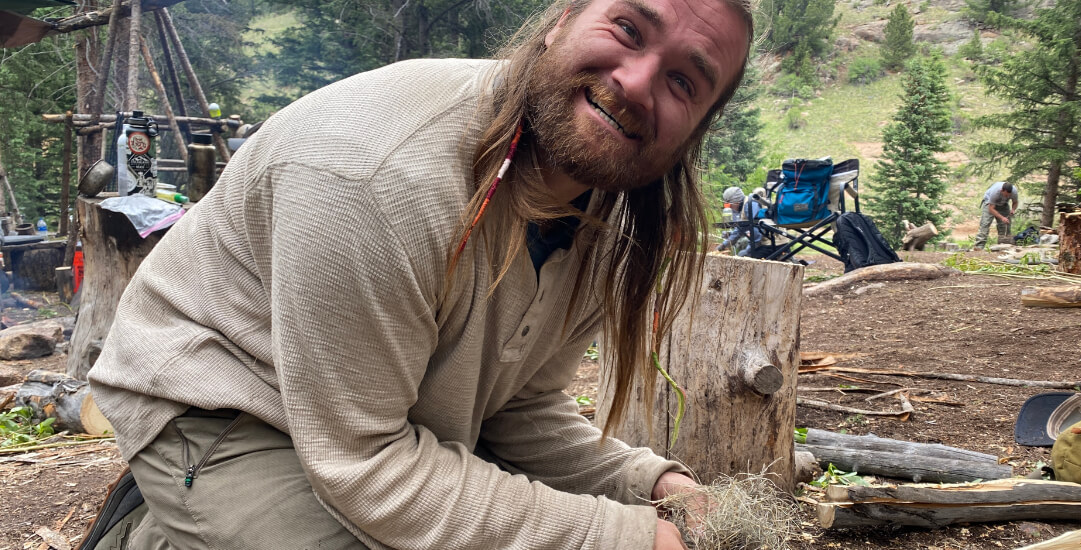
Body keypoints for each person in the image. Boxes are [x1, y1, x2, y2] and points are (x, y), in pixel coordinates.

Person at [82, 0, 754, 549]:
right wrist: (626, 538)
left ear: (697, 127)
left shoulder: (608, 210)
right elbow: (368, 467)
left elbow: (518, 409)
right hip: (228, 403)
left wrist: (648, 488)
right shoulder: (374, 175)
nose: (636, 83)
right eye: (628, 29)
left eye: (683, 81)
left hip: (379, 426)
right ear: (561, 19)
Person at [974, 181, 1018, 250]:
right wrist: (1002, 217)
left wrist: (1013, 209)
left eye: (1009, 195)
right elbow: (991, 209)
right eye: (1006, 195)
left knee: (1005, 225)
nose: (1008, 196)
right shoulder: (995, 192)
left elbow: (1015, 202)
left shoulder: (1014, 192)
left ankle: (1003, 246)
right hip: (989, 203)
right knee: (985, 224)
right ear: (1001, 191)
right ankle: (979, 247)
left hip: (1003, 204)